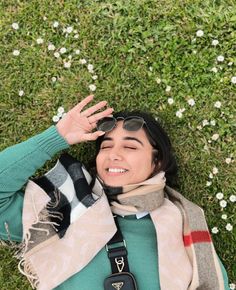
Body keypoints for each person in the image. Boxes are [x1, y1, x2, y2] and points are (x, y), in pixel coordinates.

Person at [0, 95, 230, 290]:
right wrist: (55, 138)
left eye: (130, 146)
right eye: (106, 146)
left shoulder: (185, 225)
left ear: (157, 162)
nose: (113, 154)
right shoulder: (63, 208)